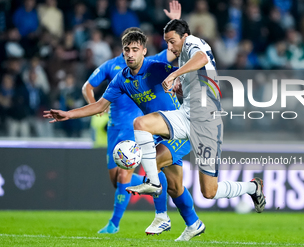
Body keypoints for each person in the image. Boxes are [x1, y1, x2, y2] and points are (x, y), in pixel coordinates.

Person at [45, 17, 205, 242]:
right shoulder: (121, 79)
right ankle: (194, 223)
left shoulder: (157, 68)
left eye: (135, 50)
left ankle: (161, 216)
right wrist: (68, 114)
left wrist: (179, 82)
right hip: (159, 134)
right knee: (175, 187)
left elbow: (188, 72)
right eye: (127, 49)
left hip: (181, 129)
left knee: (152, 162)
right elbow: (100, 105)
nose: (130, 54)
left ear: (144, 51)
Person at [125, 19, 266, 213]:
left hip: (207, 122)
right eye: (167, 42)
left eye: (172, 41)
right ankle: (153, 182)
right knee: (141, 123)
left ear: (184, 36)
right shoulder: (184, 55)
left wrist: (173, 76)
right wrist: (182, 87)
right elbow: (199, 76)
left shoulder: (193, 43)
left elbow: (202, 58)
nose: (169, 46)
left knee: (209, 191)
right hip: (186, 115)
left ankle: (253, 187)